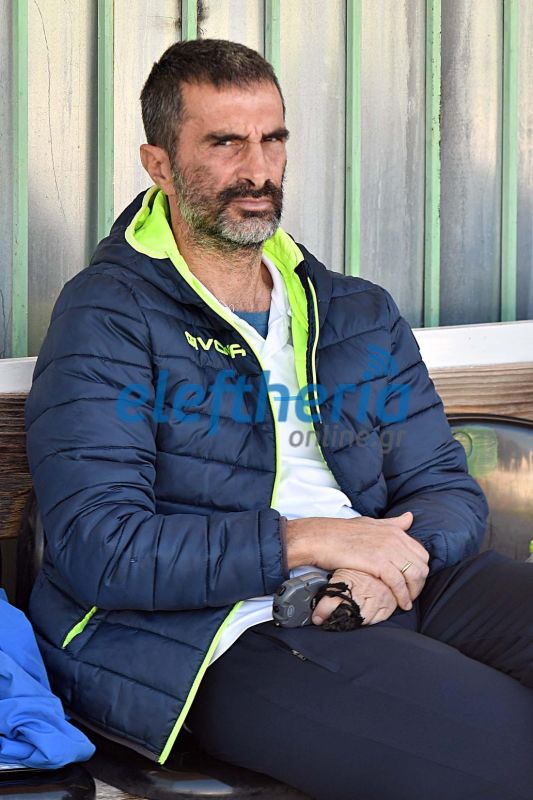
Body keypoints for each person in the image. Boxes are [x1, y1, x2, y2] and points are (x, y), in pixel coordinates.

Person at [25, 39, 533, 800]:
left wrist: (380, 566)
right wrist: (307, 540)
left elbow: (445, 488)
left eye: (273, 139)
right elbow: (99, 546)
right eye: (224, 143)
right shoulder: (107, 316)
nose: (257, 170)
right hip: (216, 632)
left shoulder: (355, 310)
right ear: (158, 164)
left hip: (390, 584)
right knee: (505, 753)